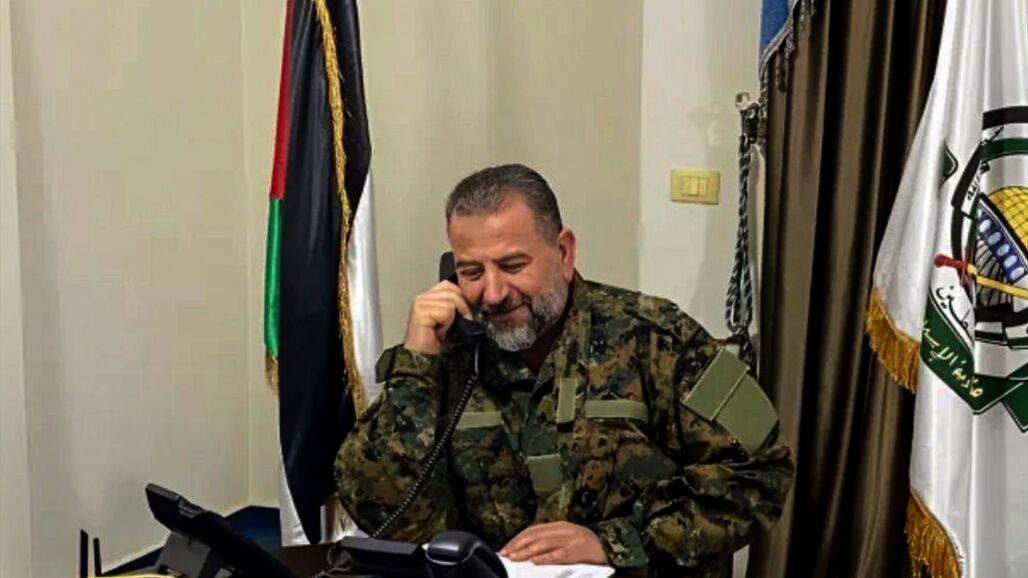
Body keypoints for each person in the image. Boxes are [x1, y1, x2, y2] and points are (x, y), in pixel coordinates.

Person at [335, 164, 793, 577]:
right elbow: (381, 510)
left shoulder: (656, 338)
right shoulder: (444, 357)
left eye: (513, 265)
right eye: (471, 271)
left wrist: (617, 542)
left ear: (564, 252)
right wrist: (415, 366)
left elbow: (760, 472)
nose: (493, 293)